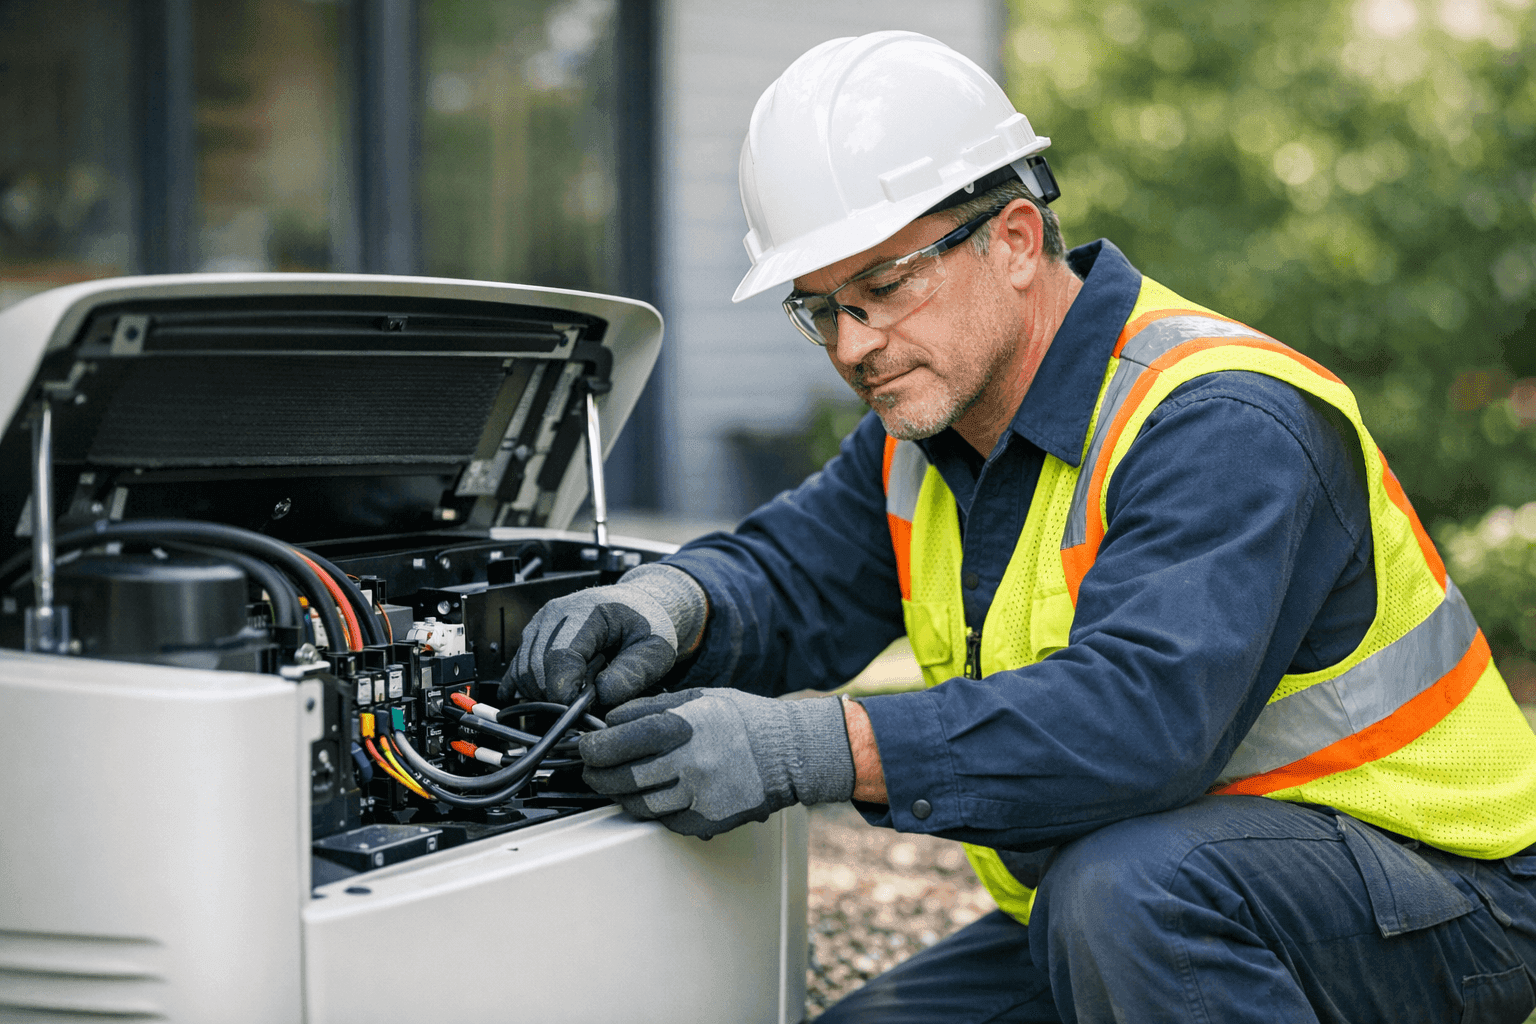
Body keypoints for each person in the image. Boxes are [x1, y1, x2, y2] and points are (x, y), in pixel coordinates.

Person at [502, 31, 1536, 1023]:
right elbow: (791, 574)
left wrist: (814, 745)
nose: (854, 344)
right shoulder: (929, 430)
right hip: (1159, 896)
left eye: (883, 287)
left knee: (1127, 893)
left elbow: (1143, 721)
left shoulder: (1221, 420)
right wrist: (668, 602)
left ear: (1012, 241)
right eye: (819, 307)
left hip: (1441, 891)